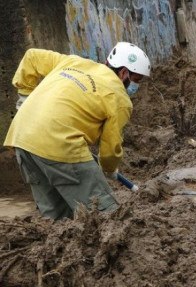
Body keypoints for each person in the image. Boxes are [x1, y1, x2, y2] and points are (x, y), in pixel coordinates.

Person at [4, 42, 151, 219]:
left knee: (56, 219)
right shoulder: (119, 97)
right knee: (106, 216)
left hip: (21, 138)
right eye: (137, 80)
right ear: (124, 73)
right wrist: (110, 168)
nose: (136, 86)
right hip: (61, 145)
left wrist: (25, 96)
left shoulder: (73, 62)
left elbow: (32, 57)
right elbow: (110, 149)